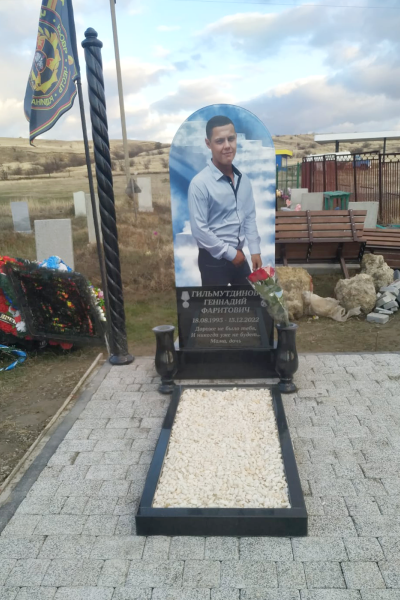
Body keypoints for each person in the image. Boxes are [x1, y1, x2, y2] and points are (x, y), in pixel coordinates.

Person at [188, 115, 262, 286]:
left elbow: (249, 217)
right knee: (216, 304)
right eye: (220, 141)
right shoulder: (199, 184)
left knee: (249, 301)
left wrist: (255, 250)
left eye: (231, 139)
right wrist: (231, 254)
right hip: (212, 260)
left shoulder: (243, 180)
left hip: (239, 256)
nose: (227, 146)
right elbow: (199, 230)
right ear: (208, 144)